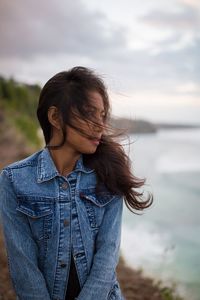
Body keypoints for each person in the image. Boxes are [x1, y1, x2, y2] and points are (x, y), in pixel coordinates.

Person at [0, 66, 152, 300]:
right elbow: (23, 266)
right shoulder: (13, 180)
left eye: (102, 115)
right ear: (55, 117)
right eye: (89, 113)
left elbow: (107, 257)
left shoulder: (109, 174)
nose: (100, 125)